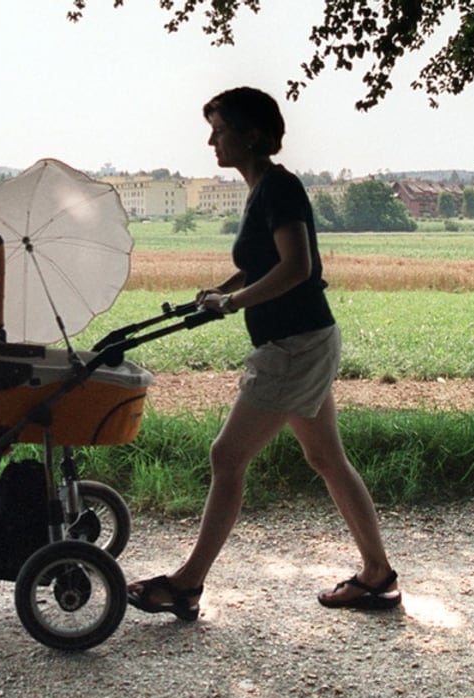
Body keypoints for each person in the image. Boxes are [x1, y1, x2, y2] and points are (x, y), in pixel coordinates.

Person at [127, 87, 400, 621]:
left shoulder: (278, 187)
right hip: (305, 339)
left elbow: (297, 267)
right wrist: (219, 293)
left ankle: (186, 585)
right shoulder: (261, 190)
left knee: (227, 457)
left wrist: (233, 301)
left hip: (294, 346)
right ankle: (378, 578)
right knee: (326, 459)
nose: (212, 140)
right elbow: (262, 264)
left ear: (251, 134)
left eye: (220, 129)